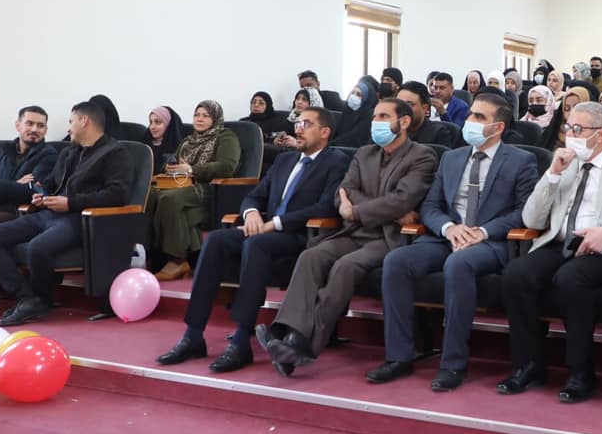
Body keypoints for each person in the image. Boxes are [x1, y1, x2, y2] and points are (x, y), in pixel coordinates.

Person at [156, 108, 349, 373]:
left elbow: (326, 207)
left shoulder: (336, 162)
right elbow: (254, 196)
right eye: (297, 123)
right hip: (264, 230)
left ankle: (240, 340)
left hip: (301, 237)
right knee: (216, 240)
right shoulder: (285, 160)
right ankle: (193, 335)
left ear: (325, 132)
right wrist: (252, 213)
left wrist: (275, 223)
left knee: (255, 244)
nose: (298, 128)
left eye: (306, 124)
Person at [367, 94, 537, 390]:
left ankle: (452, 363)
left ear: (498, 127)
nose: (470, 121)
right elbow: (431, 206)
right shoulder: (451, 157)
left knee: (458, 264)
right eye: (470, 114)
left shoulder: (521, 161)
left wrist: (482, 232)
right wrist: (449, 228)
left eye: (479, 117)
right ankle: (399, 357)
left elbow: (524, 212)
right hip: (446, 237)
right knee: (396, 261)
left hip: (491, 242)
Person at [255, 99, 438, 374]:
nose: (375, 122)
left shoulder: (422, 156)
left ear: (404, 122)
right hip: (354, 231)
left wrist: (357, 209)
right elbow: (343, 192)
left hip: (389, 238)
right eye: (374, 116)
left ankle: (304, 344)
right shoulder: (364, 153)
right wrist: (364, 209)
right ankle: (285, 331)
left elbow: (401, 200)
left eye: (383, 116)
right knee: (311, 256)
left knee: (345, 266)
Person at [498, 102, 602, 402]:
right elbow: (532, 220)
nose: (571, 135)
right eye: (568, 128)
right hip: (558, 243)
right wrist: (553, 175)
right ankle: (529, 365)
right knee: (516, 274)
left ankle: (581, 373)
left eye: (579, 129)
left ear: (601, 134)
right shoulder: (562, 164)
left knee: (570, 279)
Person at [0, 102, 133, 326]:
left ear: (84, 121)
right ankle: (28, 298)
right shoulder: (70, 151)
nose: (69, 128)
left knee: (38, 247)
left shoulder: (115, 153)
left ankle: (42, 299)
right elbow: (49, 183)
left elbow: (117, 194)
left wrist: (71, 203)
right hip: (49, 213)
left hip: (81, 218)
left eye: (71, 121)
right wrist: (40, 195)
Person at [0, 106, 58, 309]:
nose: (34, 129)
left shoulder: (48, 155)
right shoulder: (3, 151)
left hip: (18, 213)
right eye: (29, 123)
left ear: (46, 130)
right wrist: (10, 185)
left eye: (40, 125)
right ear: (18, 125)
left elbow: (29, 193)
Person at [152, 101, 241, 281]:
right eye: (197, 115)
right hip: (182, 185)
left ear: (215, 118)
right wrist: (170, 167)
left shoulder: (226, 137)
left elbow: (227, 167)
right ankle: (156, 255)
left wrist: (192, 169)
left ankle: (176, 259)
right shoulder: (188, 140)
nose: (199, 119)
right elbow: (175, 161)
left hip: (208, 188)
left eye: (205, 116)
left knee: (170, 199)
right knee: (152, 194)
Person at [396, 82, 455, 147]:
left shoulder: (438, 134)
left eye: (409, 104)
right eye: (399, 103)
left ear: (424, 108)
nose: (402, 109)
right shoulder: (393, 131)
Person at [333, 76, 379, 147]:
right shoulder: (346, 113)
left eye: (358, 94)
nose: (353, 96)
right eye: (353, 93)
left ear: (366, 99)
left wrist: (330, 145)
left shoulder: (369, 117)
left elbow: (352, 139)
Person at [143, 106, 185, 174]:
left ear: (168, 124)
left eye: (158, 122)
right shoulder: (144, 145)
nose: (152, 127)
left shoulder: (179, 148)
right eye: (151, 122)